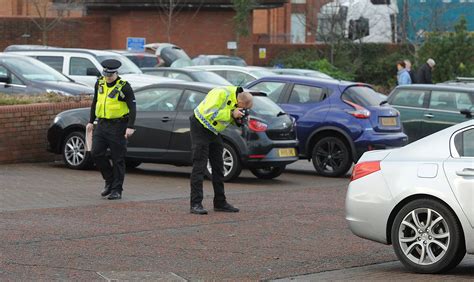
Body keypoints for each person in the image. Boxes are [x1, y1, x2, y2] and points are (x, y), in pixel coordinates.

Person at [189, 86, 253, 215]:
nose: (244, 110)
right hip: (200, 125)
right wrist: (231, 113)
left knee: (218, 166)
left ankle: (220, 202)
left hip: (213, 131)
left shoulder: (236, 101)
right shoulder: (220, 94)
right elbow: (209, 113)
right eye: (244, 108)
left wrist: (238, 119)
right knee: (199, 165)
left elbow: (226, 119)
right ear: (240, 103)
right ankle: (195, 204)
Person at [86, 59, 136, 200]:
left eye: (110, 75)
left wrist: (130, 127)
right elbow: (95, 102)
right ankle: (109, 180)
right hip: (101, 125)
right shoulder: (100, 83)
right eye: (105, 74)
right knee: (96, 153)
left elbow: (132, 107)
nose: (107, 77)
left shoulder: (124, 87)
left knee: (118, 159)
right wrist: (91, 121)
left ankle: (117, 189)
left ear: (115, 73)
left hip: (118, 126)